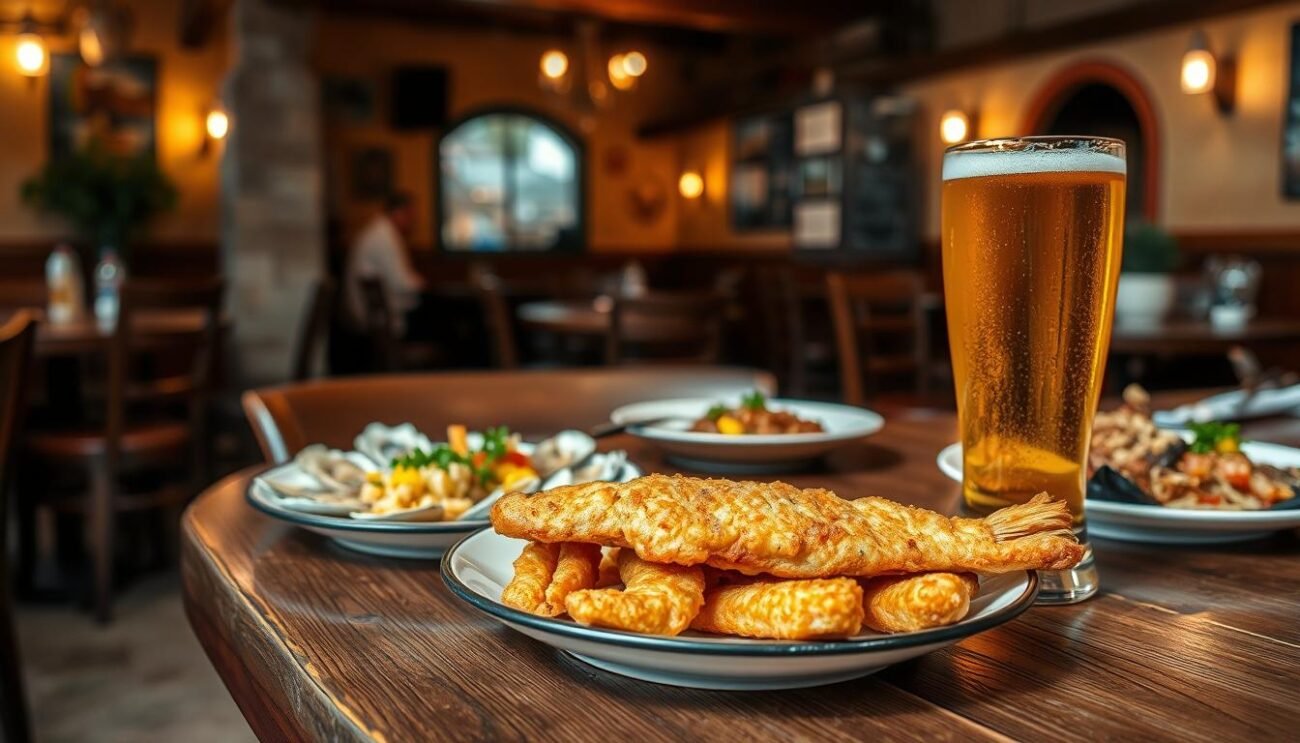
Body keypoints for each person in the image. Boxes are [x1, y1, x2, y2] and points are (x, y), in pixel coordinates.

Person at [344, 192, 426, 337]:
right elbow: (401, 283)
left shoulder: (380, 231)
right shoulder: (385, 237)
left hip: (369, 313)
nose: (413, 221)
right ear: (400, 212)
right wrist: (423, 285)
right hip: (375, 320)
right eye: (411, 216)